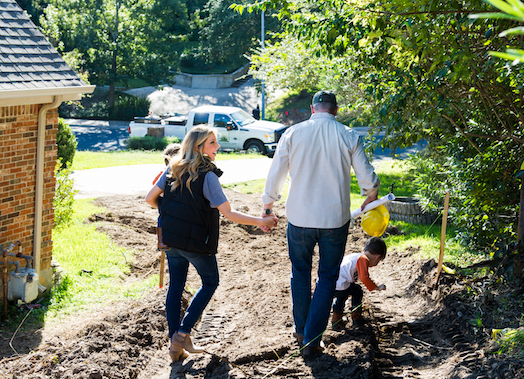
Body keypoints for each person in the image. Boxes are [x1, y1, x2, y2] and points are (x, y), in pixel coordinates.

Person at [261, 90, 380, 357]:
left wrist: (268, 204)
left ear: (312, 109)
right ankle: (312, 340)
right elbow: (367, 177)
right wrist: (370, 194)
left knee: (299, 274)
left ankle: (301, 330)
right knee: (327, 278)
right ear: (335, 110)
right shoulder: (348, 134)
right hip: (334, 221)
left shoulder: (293, 133)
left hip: (300, 219)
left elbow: (276, 171)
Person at [146, 125, 278, 363]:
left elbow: (150, 199)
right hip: (196, 243)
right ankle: (183, 333)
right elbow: (228, 213)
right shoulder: (207, 175)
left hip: (172, 240)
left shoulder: (173, 168)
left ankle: (174, 345)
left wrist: (171, 214)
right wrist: (261, 220)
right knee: (210, 282)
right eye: (213, 143)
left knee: (175, 288)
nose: (218, 147)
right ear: (199, 147)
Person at [332, 237, 387, 329]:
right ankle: (356, 318)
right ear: (377, 256)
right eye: (379, 261)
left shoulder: (356, 256)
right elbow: (364, 277)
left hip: (333, 282)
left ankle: (336, 319)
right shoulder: (363, 259)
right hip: (340, 283)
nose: (377, 263)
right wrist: (376, 287)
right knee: (357, 291)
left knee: (342, 297)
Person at [153, 142, 182, 249]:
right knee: (161, 219)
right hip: (165, 201)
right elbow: (155, 185)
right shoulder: (163, 174)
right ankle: (161, 241)